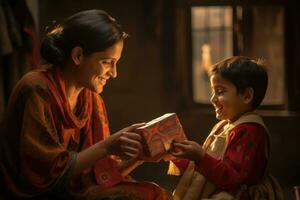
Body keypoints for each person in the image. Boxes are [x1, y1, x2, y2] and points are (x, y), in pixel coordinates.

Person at [0, 9, 170, 200]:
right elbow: (43, 176)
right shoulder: (35, 89)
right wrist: (108, 145)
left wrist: (139, 157)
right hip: (34, 195)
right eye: (107, 62)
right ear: (78, 56)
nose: (113, 73)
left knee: (153, 192)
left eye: (116, 63)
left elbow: (96, 175)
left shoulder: (91, 98)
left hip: (73, 192)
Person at [167, 56, 283, 200]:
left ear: (246, 96)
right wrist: (178, 155)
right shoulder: (225, 126)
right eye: (213, 91)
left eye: (220, 91)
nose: (213, 98)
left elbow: (231, 178)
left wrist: (200, 157)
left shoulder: (250, 130)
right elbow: (206, 169)